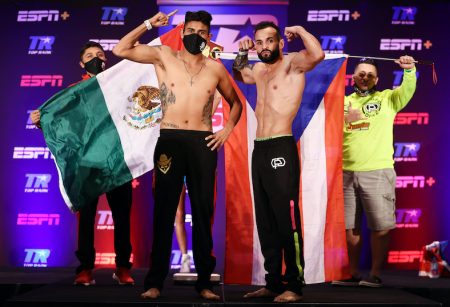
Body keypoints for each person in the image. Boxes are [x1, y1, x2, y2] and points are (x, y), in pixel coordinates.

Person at [113, 10, 243, 300]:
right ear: (182, 32)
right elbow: (120, 49)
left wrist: (227, 130)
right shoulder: (164, 56)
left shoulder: (216, 69)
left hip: (202, 143)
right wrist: (148, 24)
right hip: (170, 141)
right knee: (164, 213)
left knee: (202, 212)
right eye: (191, 30)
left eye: (202, 33)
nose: (196, 36)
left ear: (208, 37)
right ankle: (154, 281)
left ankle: (205, 283)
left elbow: (236, 103)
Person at [233, 22, 324, 302]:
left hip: (281, 147)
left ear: (280, 43)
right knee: (266, 220)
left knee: (286, 219)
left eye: (269, 41)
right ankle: (273, 282)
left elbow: (317, 55)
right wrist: (241, 54)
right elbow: (242, 76)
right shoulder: (260, 70)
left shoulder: (293, 64)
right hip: (259, 149)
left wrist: (299, 30)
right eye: (259, 42)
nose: (264, 47)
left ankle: (294, 285)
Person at [31, 41, 134, 286]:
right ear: (81, 63)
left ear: (106, 60)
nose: (95, 58)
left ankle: (122, 268)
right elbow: (62, 123)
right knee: (86, 217)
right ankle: (85, 268)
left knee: (122, 217)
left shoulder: (119, 87)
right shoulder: (74, 91)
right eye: (89, 56)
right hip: (87, 165)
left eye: (99, 54)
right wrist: (41, 120)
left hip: (117, 161)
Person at [332, 56, 417, 287]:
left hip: (378, 171)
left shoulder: (387, 98)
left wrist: (409, 71)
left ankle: (376, 274)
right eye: (361, 73)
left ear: (377, 79)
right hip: (346, 172)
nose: (365, 77)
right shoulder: (342, 102)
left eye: (370, 74)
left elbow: (407, 91)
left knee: (381, 227)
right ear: (353, 76)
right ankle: (351, 273)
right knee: (350, 228)